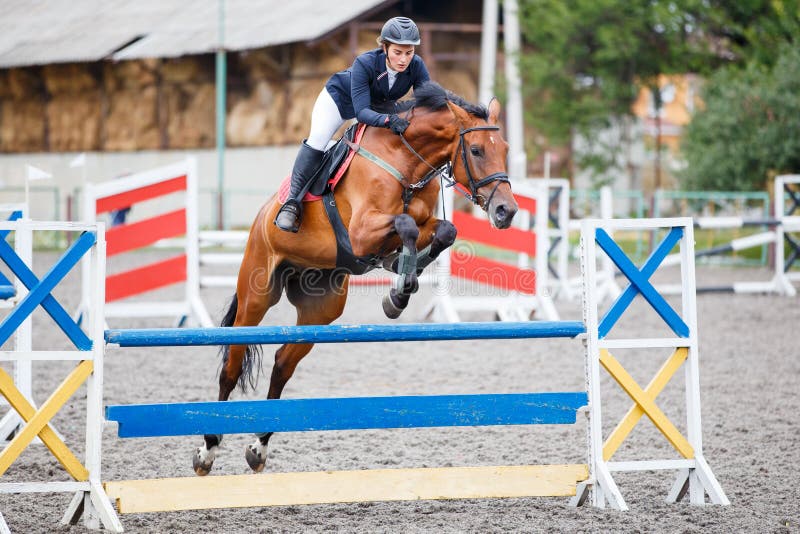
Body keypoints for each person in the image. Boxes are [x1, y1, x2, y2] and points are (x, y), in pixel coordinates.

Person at [275, 16, 431, 232]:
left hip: (377, 107)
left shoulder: (417, 66)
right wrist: (389, 119)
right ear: (384, 47)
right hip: (339, 101)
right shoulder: (365, 63)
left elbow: (428, 100)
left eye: (409, 52)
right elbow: (362, 113)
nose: (404, 59)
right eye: (397, 52)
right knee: (319, 140)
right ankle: (291, 205)